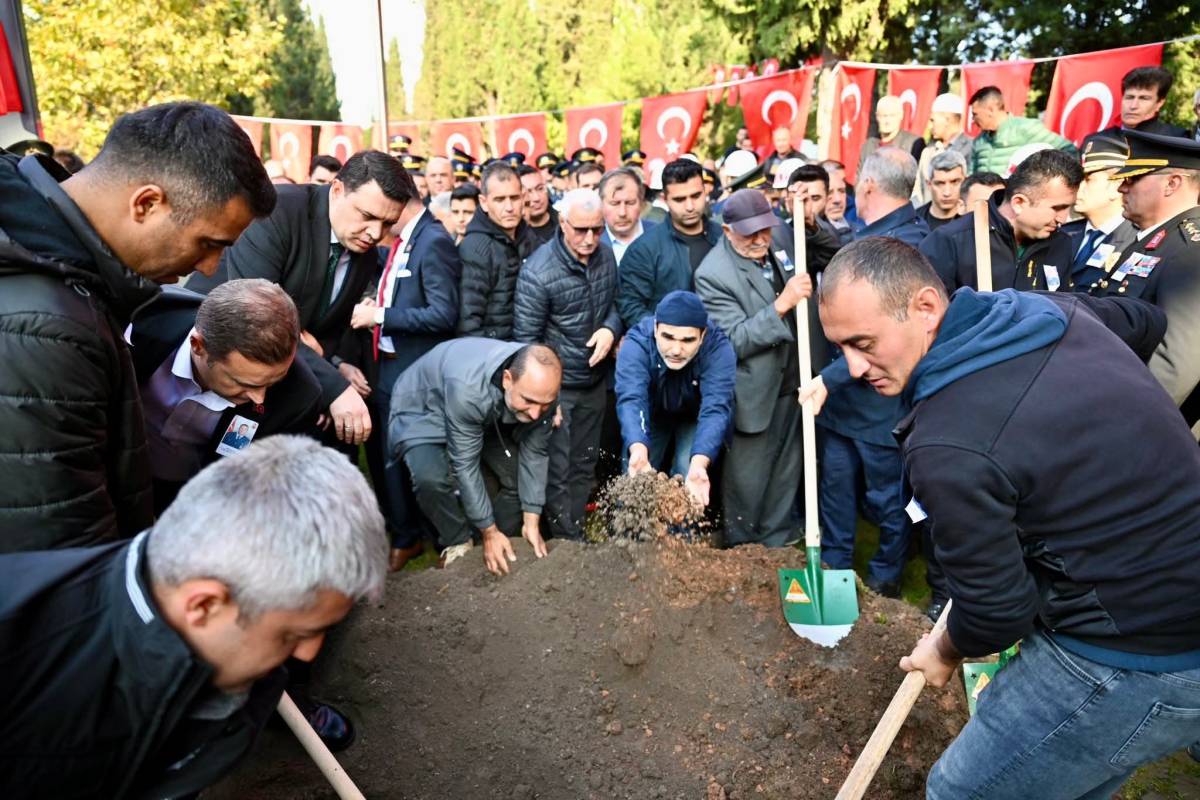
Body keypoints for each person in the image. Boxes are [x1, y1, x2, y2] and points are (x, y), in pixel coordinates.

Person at [809, 236, 1200, 800]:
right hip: (1175, 609)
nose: (852, 366)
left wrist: (944, 651)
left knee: (962, 790)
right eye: (840, 346)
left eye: (864, 343)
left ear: (924, 307)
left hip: (1135, 650)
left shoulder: (948, 444)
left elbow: (998, 610)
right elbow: (1144, 320)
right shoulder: (1045, 311)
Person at [0, 435, 388, 799]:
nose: (306, 654)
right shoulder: (23, 661)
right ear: (203, 605)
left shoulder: (237, 668)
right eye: (292, 634)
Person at [0, 101, 274, 553]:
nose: (209, 267)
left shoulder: (70, 281)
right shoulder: (50, 329)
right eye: (209, 243)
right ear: (147, 203)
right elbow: (61, 554)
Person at [192, 149, 416, 449]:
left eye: (388, 224)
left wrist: (322, 376)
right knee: (187, 458)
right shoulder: (278, 210)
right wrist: (333, 388)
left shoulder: (363, 254)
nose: (376, 233)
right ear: (337, 190)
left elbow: (327, 332)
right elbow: (256, 318)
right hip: (212, 363)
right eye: (367, 216)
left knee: (244, 463)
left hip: (274, 384)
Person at [812, 147, 928, 597]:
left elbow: (882, 337)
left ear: (867, 186)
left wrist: (828, 378)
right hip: (844, 409)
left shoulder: (905, 247)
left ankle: (884, 582)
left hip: (882, 409)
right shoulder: (868, 236)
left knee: (888, 502)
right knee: (836, 494)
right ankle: (833, 573)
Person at [130, 279, 321, 512]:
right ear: (198, 346)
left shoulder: (299, 398)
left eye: (273, 381)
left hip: (196, 500)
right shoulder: (142, 321)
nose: (259, 399)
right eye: (243, 382)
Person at [694, 189, 812, 547]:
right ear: (728, 231)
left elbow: (823, 250)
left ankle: (777, 545)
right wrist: (782, 304)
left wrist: (812, 224)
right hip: (752, 393)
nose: (761, 239)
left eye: (765, 229)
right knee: (747, 479)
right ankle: (741, 550)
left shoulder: (780, 238)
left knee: (786, 471)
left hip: (794, 381)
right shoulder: (712, 274)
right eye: (750, 233)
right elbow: (732, 341)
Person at [388, 340, 560, 572]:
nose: (536, 413)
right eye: (528, 401)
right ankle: (458, 542)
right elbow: (465, 465)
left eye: (545, 405)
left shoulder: (541, 391)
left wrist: (532, 520)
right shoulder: (470, 391)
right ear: (507, 380)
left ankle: (493, 541)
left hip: (482, 411)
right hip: (423, 407)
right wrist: (488, 531)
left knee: (515, 477)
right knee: (430, 478)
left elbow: (535, 452)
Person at [513, 189, 621, 540]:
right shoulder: (539, 271)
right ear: (562, 224)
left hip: (594, 380)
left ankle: (575, 535)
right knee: (557, 469)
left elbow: (617, 304)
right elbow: (527, 340)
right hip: (559, 389)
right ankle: (565, 542)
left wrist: (610, 327)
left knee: (584, 464)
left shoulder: (606, 256)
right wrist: (548, 398)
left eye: (597, 229)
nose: (590, 239)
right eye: (580, 230)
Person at [1090, 130, 1200, 438]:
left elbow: (1175, 364)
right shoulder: (1152, 240)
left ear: (1172, 183)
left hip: (1145, 428)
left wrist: (1119, 429)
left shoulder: (1191, 249)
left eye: (1134, 178)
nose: (1121, 187)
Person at [615, 291, 735, 506]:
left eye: (688, 340)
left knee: (687, 469)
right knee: (636, 471)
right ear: (655, 329)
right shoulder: (637, 343)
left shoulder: (719, 348)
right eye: (668, 337)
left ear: (703, 334)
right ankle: (630, 535)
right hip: (650, 412)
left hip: (694, 416)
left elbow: (716, 408)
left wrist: (699, 464)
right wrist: (638, 448)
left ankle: (680, 536)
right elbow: (631, 398)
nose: (676, 350)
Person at [920, 148, 1081, 293]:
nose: (1063, 218)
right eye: (1057, 208)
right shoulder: (950, 242)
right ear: (1019, 203)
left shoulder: (1061, 244)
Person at [618, 158, 720, 327]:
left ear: (705, 191)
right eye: (679, 199)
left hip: (721, 346)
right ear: (665, 199)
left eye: (696, 196)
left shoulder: (724, 237)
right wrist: (666, 336)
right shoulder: (644, 249)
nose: (689, 206)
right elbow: (630, 305)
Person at [456, 162, 538, 339]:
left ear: (524, 197)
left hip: (530, 348)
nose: (509, 207)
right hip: (493, 353)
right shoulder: (474, 248)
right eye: (500, 199)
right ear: (484, 202)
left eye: (514, 198)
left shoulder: (532, 239)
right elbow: (468, 321)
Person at [1062, 133, 1138, 292]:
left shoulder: (1136, 241)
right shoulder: (1064, 234)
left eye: (1088, 180)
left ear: (1115, 186)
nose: (1079, 187)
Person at [969, 85, 1077, 174]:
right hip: (983, 198)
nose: (973, 119)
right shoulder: (979, 141)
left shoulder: (1025, 128)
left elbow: (1067, 149)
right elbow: (971, 174)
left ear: (991, 110)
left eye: (975, 114)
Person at [914, 93, 974, 206]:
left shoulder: (972, 148)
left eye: (933, 120)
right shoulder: (928, 152)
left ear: (947, 119)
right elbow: (918, 191)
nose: (930, 126)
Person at [1100, 66, 1190, 139]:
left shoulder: (1178, 138)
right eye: (1129, 97)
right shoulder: (1098, 140)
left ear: (1159, 103)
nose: (1133, 106)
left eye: (1144, 98)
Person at [858, 95, 925, 176]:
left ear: (901, 115)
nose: (887, 121)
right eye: (883, 116)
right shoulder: (868, 146)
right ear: (877, 116)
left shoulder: (914, 144)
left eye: (892, 115)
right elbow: (860, 178)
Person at [599, 166, 652, 265]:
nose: (622, 213)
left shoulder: (661, 236)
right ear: (601, 203)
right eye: (615, 204)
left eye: (630, 203)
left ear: (641, 202)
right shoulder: (591, 242)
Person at [916, 149, 967, 232]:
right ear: (929, 184)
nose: (947, 192)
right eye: (940, 183)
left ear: (965, 181)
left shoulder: (975, 221)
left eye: (955, 182)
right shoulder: (915, 222)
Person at [517, 163, 557, 245]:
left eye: (540, 189)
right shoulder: (515, 236)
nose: (536, 198)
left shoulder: (565, 223)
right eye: (528, 192)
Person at [820, 160, 855, 246]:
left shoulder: (861, 228)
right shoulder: (803, 236)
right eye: (829, 192)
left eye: (842, 191)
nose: (837, 199)